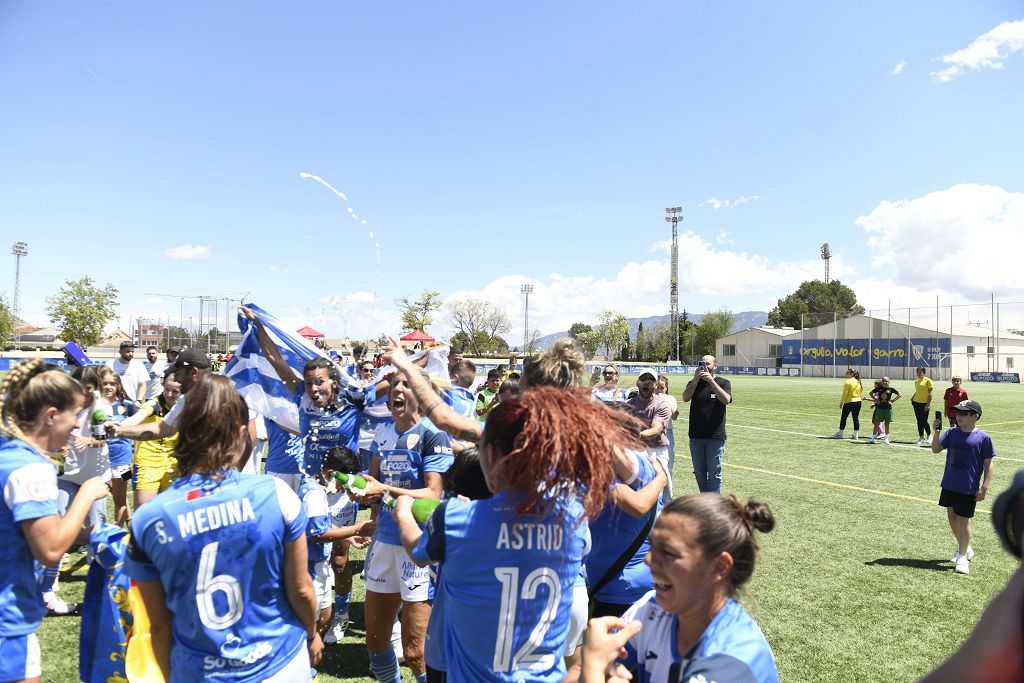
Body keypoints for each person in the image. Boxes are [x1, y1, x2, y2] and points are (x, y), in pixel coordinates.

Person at [395, 388, 629, 683]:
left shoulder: (455, 518)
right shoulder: (573, 519)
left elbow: (419, 552)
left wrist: (403, 512)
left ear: (490, 453)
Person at [124, 374, 322, 681]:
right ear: (242, 433)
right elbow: (301, 589)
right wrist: (311, 635)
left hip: (199, 671)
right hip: (279, 663)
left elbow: (158, 626)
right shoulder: (276, 494)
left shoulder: (149, 518)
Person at [0, 360, 109, 681]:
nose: (77, 426)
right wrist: (87, 494)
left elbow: (23, 534)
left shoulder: (9, 453)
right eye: (74, 415)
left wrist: (85, 534)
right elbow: (49, 551)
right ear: (50, 416)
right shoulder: (32, 469)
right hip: (8, 618)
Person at [353, 370, 453, 683]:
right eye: (394, 383)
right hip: (384, 541)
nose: (397, 389)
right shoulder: (381, 432)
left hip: (418, 546)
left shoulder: (433, 434)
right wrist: (368, 508)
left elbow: (433, 494)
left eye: (406, 384)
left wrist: (382, 490)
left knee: (414, 651)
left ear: (421, 393)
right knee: (375, 642)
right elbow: (373, 483)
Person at [614, 494, 779, 682]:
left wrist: (593, 670)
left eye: (667, 552)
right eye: (651, 545)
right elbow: (600, 659)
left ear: (719, 566)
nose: (648, 559)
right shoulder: (651, 606)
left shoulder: (732, 660)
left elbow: (593, 666)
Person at [930, 399, 995, 576]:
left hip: (968, 486)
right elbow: (936, 449)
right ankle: (965, 548)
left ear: (976, 416)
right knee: (952, 516)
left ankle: (962, 557)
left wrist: (984, 488)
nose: (959, 416)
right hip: (950, 483)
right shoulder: (952, 433)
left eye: (964, 413)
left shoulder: (983, 437)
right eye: (958, 413)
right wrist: (936, 432)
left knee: (964, 520)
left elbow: (989, 464)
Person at [119, 371, 181, 508]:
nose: (169, 394)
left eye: (175, 391)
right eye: (167, 389)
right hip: (147, 463)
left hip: (173, 463)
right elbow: (136, 419)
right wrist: (118, 427)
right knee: (144, 510)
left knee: (172, 510)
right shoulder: (153, 404)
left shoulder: (184, 406)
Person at [682, 355, 733, 494]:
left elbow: (726, 400)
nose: (704, 366)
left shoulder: (723, 383)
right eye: (701, 363)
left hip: (715, 436)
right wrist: (695, 380)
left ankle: (715, 502)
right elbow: (685, 398)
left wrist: (711, 382)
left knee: (714, 472)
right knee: (699, 472)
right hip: (696, 436)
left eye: (708, 363)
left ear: (715, 366)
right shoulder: (694, 383)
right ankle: (705, 500)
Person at [97, 367, 137, 526]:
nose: (108, 387)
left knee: (120, 494)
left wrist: (135, 458)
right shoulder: (96, 405)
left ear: (118, 386)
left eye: (112, 383)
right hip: (102, 458)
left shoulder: (127, 405)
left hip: (123, 459)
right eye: (105, 383)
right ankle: (129, 519)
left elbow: (138, 431)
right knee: (114, 492)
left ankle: (118, 529)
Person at [626, 370, 672, 503]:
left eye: (651, 380)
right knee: (634, 489)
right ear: (638, 382)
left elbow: (656, 430)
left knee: (656, 492)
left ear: (656, 384)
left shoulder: (662, 405)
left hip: (657, 450)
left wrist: (633, 434)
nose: (647, 382)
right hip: (634, 450)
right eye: (643, 378)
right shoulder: (628, 404)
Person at [867, 377, 900, 445]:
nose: (885, 382)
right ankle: (873, 439)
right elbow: (870, 393)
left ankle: (886, 439)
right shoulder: (878, 389)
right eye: (884, 381)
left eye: (886, 381)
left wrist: (893, 401)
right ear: (882, 382)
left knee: (887, 424)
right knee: (876, 423)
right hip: (880, 408)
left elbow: (899, 394)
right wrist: (875, 400)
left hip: (888, 409)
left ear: (889, 382)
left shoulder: (891, 389)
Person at [831, 368, 862, 440]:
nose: (846, 374)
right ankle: (855, 435)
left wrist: (841, 402)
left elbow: (845, 393)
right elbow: (861, 392)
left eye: (847, 373)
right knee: (855, 418)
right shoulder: (858, 381)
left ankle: (840, 433)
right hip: (858, 402)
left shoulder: (848, 381)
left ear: (851, 374)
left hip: (849, 402)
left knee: (844, 418)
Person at [655, 373, 679, 460]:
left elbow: (674, 416)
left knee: (669, 460)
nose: (659, 390)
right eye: (657, 387)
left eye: (662, 388)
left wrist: (665, 402)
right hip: (652, 432)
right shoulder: (649, 398)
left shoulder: (670, 398)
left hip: (667, 432)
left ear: (666, 388)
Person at [912, 367, 935, 445]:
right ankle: (921, 437)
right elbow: (918, 391)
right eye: (918, 372)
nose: (919, 373)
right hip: (916, 402)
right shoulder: (916, 381)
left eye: (920, 372)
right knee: (919, 421)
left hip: (924, 403)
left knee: (924, 421)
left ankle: (929, 436)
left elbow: (930, 394)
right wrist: (912, 398)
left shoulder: (928, 381)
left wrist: (928, 404)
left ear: (924, 373)